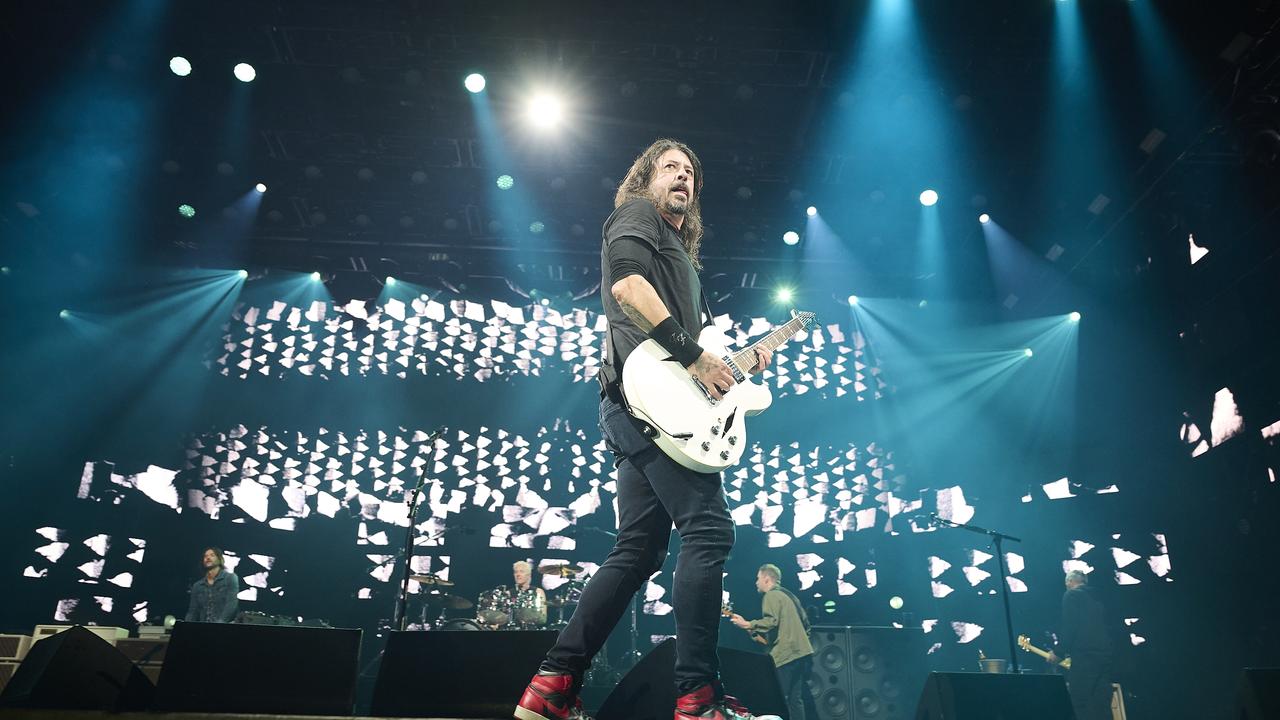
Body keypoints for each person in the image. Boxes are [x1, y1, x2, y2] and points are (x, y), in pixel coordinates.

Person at [515, 139, 776, 720]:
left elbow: (701, 354)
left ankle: (552, 688)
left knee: (638, 552)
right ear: (646, 178)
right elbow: (627, 290)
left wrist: (730, 364)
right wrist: (694, 357)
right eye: (670, 168)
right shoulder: (638, 214)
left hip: (640, 406)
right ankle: (697, 700)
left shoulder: (680, 254)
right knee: (707, 530)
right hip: (647, 404)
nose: (682, 177)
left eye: (690, 172)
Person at [730, 564, 814, 720]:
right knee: (796, 700)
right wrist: (753, 631)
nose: (756, 582)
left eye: (758, 578)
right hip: (802, 654)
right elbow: (802, 625)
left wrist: (748, 624)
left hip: (786, 657)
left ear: (767, 579)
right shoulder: (789, 596)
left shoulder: (771, 596)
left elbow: (771, 621)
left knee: (779, 699)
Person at [1047, 570, 1113, 720]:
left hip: (1084, 657)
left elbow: (1070, 626)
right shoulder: (1098, 597)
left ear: (1070, 582)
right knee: (1101, 703)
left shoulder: (1072, 595)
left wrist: (1058, 652)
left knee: (1081, 702)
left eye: (1066, 584)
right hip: (1104, 657)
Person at [184, 547, 240, 623]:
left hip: (225, 628)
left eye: (212, 555)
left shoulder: (230, 578)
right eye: (205, 556)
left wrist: (219, 623)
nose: (208, 557)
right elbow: (193, 611)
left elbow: (231, 604)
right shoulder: (197, 586)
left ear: (219, 559)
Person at [511, 560, 548, 628]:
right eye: (516, 572)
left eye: (521, 571)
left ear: (529, 575)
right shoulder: (508, 593)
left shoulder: (538, 592)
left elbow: (543, 619)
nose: (518, 574)